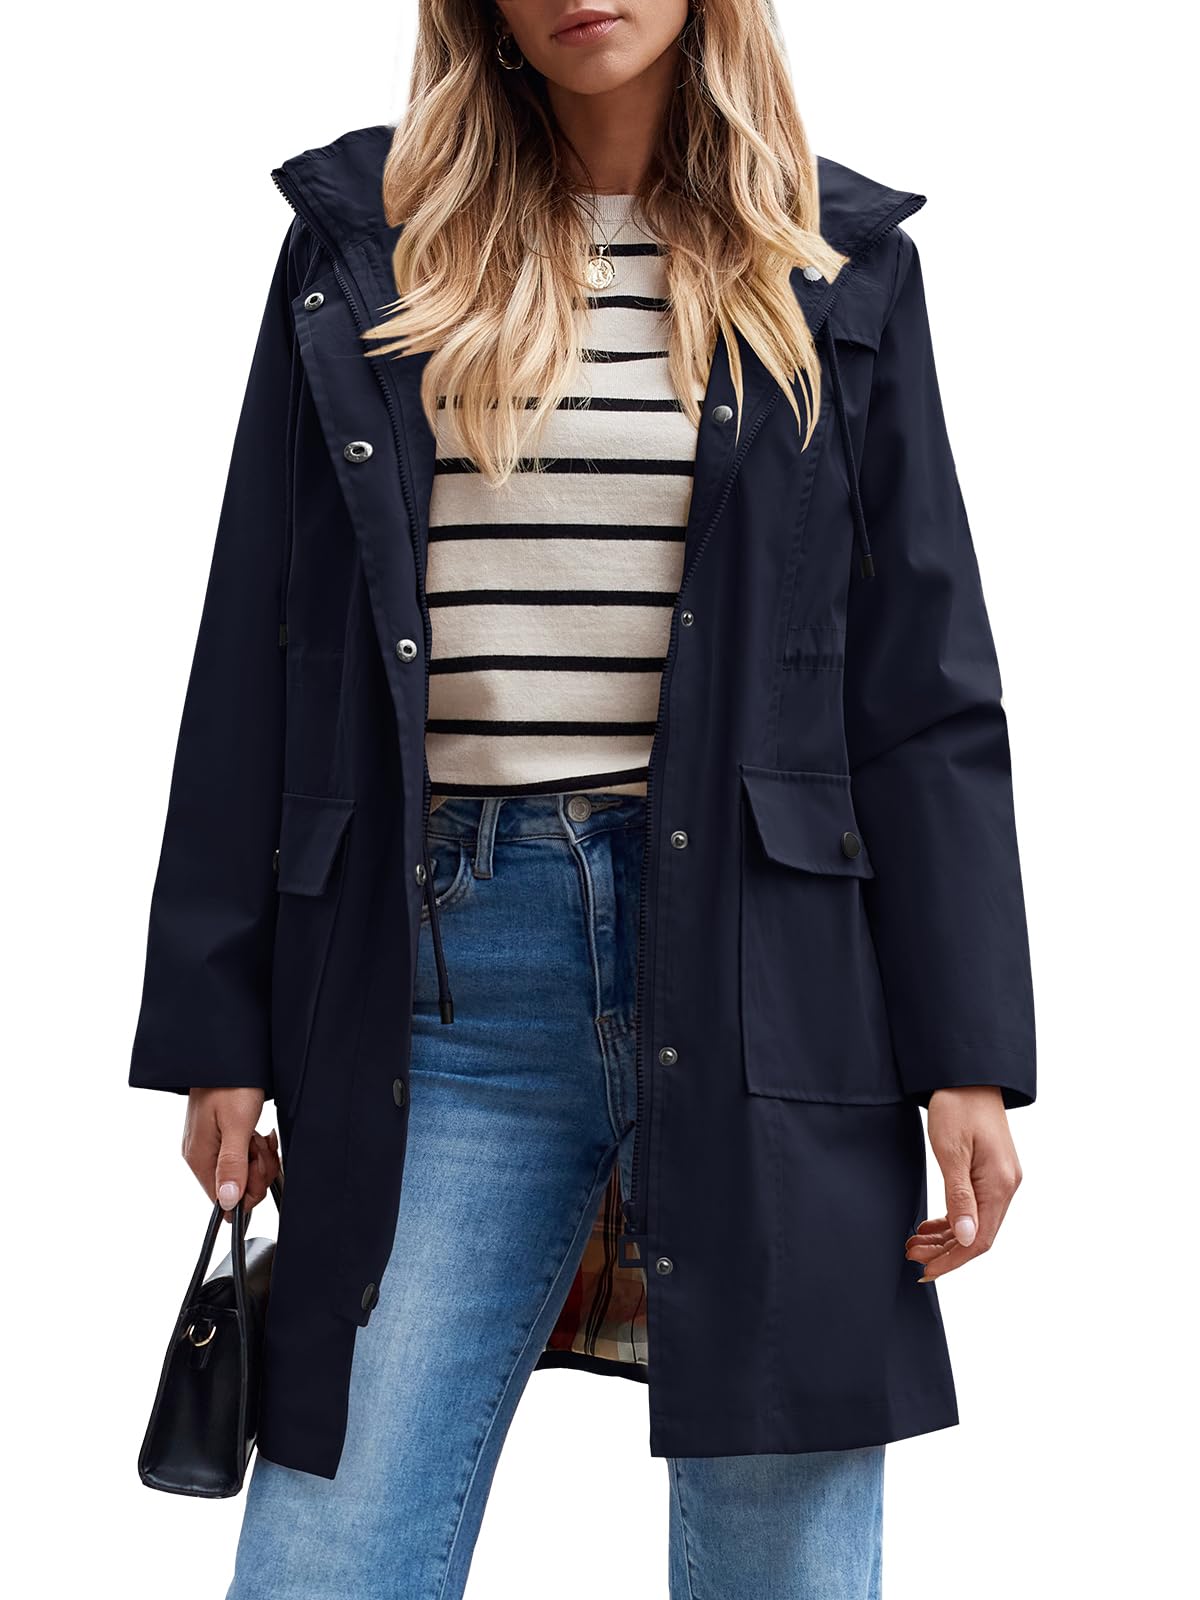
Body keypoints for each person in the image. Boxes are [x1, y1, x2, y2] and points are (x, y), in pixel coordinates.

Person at [129, 2, 1036, 1595]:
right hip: (441, 989)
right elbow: (257, 639)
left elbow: (921, 684)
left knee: (781, 1558)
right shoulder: (369, 248)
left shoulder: (835, 265)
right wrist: (220, 1025)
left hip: (771, 981)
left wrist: (970, 1052)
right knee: (327, 1553)